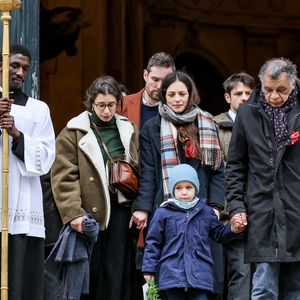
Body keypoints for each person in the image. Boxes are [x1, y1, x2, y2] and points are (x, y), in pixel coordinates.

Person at [130, 71, 226, 298]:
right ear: (164, 96)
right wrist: (143, 207)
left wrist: (214, 205)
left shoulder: (207, 123)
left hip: (201, 209)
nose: (177, 99)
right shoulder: (152, 127)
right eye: (171, 94)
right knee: (168, 278)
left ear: (190, 94)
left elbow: (218, 170)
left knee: (202, 278)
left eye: (182, 93)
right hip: (166, 207)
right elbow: (149, 171)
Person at [51, 75, 139, 300]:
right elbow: (63, 176)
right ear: (91, 103)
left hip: (120, 211)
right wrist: (74, 214)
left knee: (115, 274)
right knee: (88, 276)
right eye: (101, 105)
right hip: (88, 216)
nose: (107, 111)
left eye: (111, 105)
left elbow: (140, 168)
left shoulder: (128, 129)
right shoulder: (74, 131)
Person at [226, 58, 300, 299]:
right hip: (262, 211)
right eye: (268, 89)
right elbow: (235, 166)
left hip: (296, 210)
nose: (274, 96)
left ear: (293, 83)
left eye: (281, 90)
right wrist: (236, 206)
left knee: (295, 290)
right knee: (263, 288)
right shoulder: (247, 113)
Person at [0, 43, 55, 300]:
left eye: (25, 68)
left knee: (21, 280)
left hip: (23, 205)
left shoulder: (38, 109)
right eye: (15, 65)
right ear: (1, 65)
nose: (20, 73)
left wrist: (17, 135)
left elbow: (46, 157)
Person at [142, 164, 246, 300]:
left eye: (188, 187)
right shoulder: (163, 212)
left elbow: (219, 233)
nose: (184, 192)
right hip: (172, 275)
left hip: (200, 275)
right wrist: (149, 269)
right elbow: (153, 242)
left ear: (195, 189)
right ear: (172, 189)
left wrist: (233, 229)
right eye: (179, 188)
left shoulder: (206, 212)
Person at [213, 72, 255, 300]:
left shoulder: (262, 122)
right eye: (238, 93)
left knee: (262, 274)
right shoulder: (216, 126)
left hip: (259, 211)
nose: (244, 98)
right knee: (238, 271)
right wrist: (225, 210)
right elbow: (218, 172)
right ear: (228, 97)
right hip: (229, 214)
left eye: (249, 93)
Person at [122, 52, 175, 128]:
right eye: (155, 80)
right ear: (145, 75)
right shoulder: (123, 104)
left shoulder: (177, 107)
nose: (159, 86)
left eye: (165, 81)